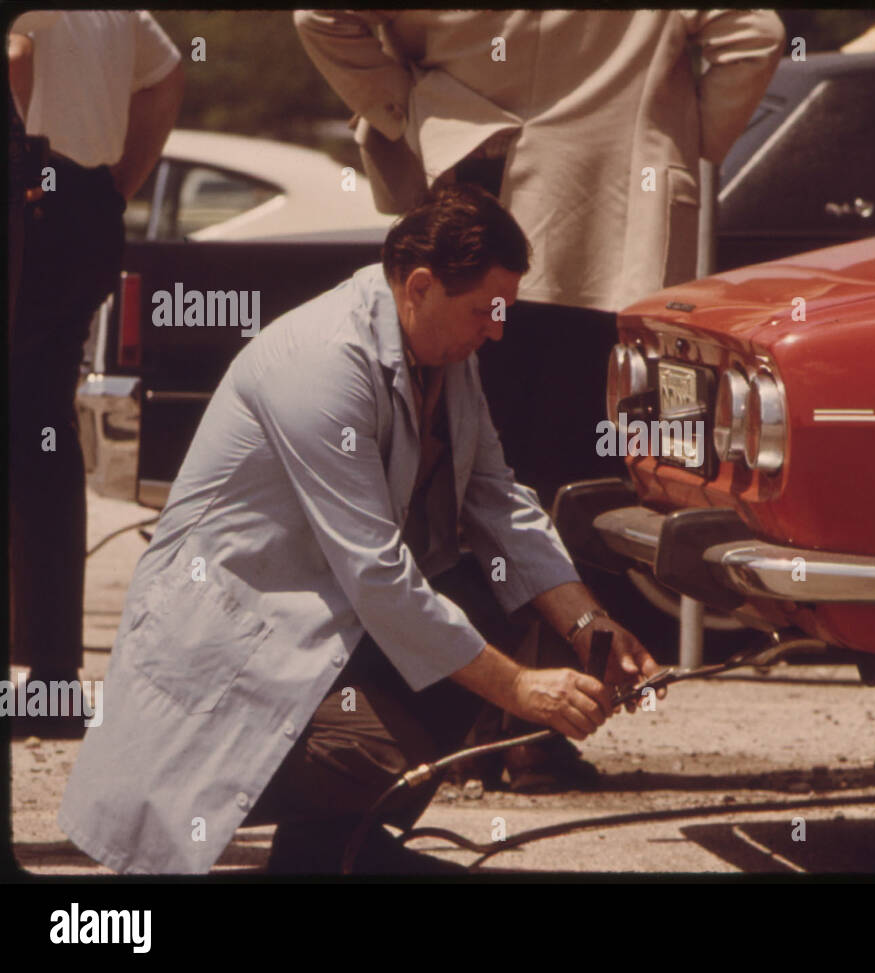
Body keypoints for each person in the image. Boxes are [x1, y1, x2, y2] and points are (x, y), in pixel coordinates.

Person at [58, 184, 664, 874]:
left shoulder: (443, 351)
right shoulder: (321, 363)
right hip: (238, 654)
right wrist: (522, 690)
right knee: (412, 699)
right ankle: (320, 840)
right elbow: (379, 576)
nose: (497, 330)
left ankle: (333, 846)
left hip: (323, 634)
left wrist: (590, 627)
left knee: (487, 593)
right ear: (421, 286)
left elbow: (498, 499)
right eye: (484, 311)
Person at [294, 9, 786, 506]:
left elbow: (320, 15)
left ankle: (488, 568)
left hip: (472, 202)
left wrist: (413, 109)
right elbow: (755, 38)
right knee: (618, 452)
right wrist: (688, 137)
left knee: (476, 453)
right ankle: (583, 575)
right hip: (622, 216)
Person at [8, 11, 184, 738]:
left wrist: (22, 153)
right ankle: (51, 682)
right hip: (77, 205)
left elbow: (13, 50)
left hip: (28, 199)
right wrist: (117, 183)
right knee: (43, 430)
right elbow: (168, 71)